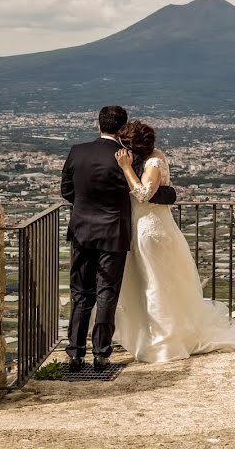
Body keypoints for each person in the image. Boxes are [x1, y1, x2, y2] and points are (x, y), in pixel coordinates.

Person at [113, 119, 235, 362]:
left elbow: (145, 194)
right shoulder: (146, 159)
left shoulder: (153, 161)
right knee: (149, 284)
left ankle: (164, 343)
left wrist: (125, 168)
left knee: (156, 284)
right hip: (144, 228)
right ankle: (153, 337)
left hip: (151, 231)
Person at [60, 106, 179, 371]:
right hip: (113, 232)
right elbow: (141, 192)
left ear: (98, 124)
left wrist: (86, 208)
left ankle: (75, 354)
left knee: (80, 293)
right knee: (107, 293)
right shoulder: (129, 158)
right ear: (122, 128)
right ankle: (101, 354)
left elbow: (66, 190)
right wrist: (170, 194)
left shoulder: (77, 151)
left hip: (82, 231)